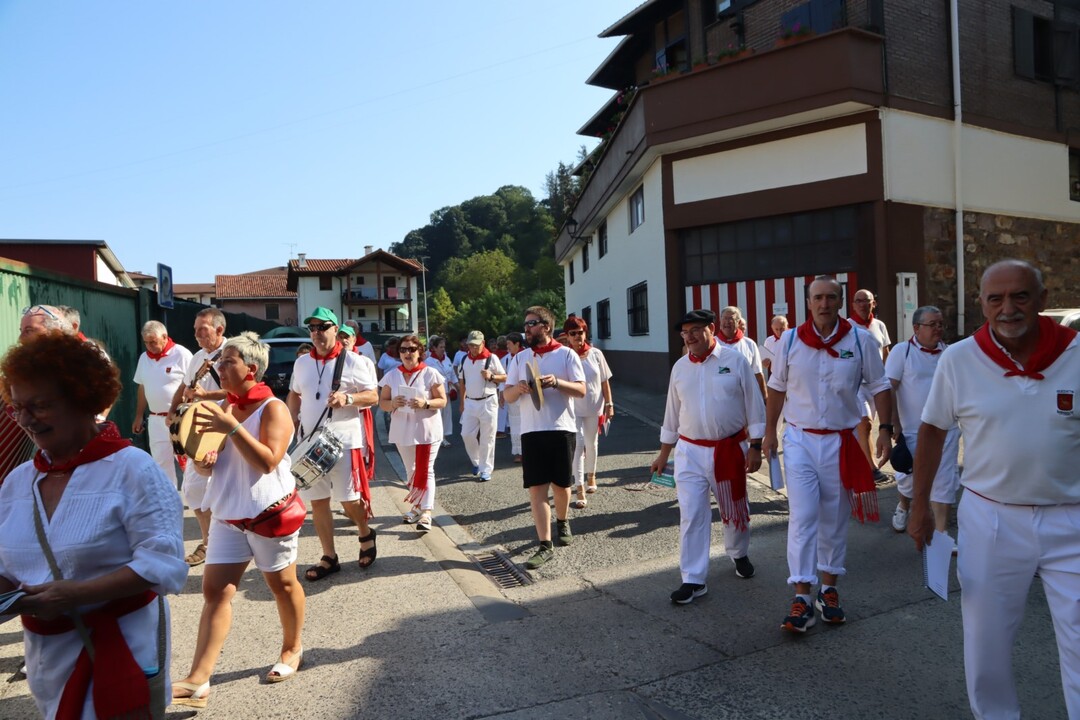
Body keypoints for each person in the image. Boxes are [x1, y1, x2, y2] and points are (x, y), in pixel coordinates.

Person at [909, 260, 1079, 720]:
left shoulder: (1077, 352)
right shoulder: (960, 359)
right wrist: (920, 505)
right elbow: (932, 429)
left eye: (1020, 296)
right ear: (982, 304)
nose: (1008, 308)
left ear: (1042, 300)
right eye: (995, 299)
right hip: (992, 518)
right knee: (986, 642)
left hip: (1073, 517)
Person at [0, 332, 187, 719]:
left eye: (40, 406)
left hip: (123, 649)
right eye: (17, 407)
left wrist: (76, 595)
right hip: (47, 660)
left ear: (83, 399)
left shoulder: (133, 470)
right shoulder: (18, 482)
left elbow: (164, 565)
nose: (26, 420)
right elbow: (7, 566)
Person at [172, 332, 306, 707]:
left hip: (268, 514)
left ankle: (292, 648)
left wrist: (229, 427)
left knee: (283, 585)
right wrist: (202, 460)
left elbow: (267, 461)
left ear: (251, 368)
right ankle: (198, 679)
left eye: (228, 360)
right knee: (215, 592)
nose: (219, 366)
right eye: (219, 360)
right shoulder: (224, 407)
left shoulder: (273, 408)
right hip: (228, 515)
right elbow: (209, 465)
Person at [763, 275, 892, 633]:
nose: (824, 304)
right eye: (817, 297)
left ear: (840, 301)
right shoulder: (790, 341)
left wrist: (885, 429)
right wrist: (770, 433)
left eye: (830, 297)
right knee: (803, 516)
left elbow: (880, 385)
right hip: (800, 440)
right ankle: (802, 595)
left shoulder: (861, 340)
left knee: (834, 518)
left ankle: (829, 590)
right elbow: (776, 388)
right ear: (808, 303)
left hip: (841, 442)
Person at [650, 309, 766, 603]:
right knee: (692, 514)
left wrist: (756, 446)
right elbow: (672, 413)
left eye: (695, 331)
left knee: (734, 506)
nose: (689, 337)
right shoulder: (680, 368)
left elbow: (754, 405)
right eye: (684, 333)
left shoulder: (735, 361)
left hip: (729, 449)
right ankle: (693, 578)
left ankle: (738, 552)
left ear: (711, 329)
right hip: (689, 452)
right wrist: (664, 453)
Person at [287, 307, 379, 581]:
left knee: (349, 500)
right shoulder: (302, 363)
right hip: (310, 443)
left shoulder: (354, 361)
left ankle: (365, 531)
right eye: (312, 328)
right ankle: (329, 556)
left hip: (344, 442)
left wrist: (348, 399)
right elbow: (294, 394)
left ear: (335, 329)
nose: (316, 333)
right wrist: (290, 422)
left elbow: (373, 396)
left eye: (322, 327)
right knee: (318, 502)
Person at [503, 306, 586, 569]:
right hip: (531, 431)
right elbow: (507, 395)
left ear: (546, 327)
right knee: (537, 489)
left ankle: (562, 521)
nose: (526, 329)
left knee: (561, 486)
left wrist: (557, 382)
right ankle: (545, 545)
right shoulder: (520, 358)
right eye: (525, 324)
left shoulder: (566, 354)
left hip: (561, 428)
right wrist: (518, 388)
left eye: (532, 324)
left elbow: (581, 390)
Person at [884, 306, 959, 548]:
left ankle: (940, 534)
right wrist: (893, 422)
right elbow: (889, 387)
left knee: (944, 480)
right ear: (916, 328)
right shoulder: (902, 351)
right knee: (909, 481)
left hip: (945, 430)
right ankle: (904, 505)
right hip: (912, 431)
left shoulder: (949, 353)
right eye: (932, 324)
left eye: (940, 324)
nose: (938, 328)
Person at [167, 308, 229, 567]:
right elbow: (185, 386)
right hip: (198, 431)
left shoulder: (232, 353)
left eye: (202, 330)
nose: (197, 335)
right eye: (195, 331)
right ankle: (209, 541)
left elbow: (239, 390)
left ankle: (222, 544)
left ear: (219, 329)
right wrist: (172, 411)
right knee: (193, 490)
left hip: (224, 430)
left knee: (222, 490)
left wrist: (206, 396)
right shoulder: (198, 357)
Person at [378, 335, 447, 533]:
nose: (407, 353)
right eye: (403, 350)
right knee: (411, 470)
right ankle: (416, 507)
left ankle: (426, 512)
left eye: (412, 349)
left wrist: (425, 403)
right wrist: (393, 403)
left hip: (427, 428)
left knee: (426, 469)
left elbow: (442, 400)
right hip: (402, 428)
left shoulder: (430, 373)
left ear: (420, 352)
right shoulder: (392, 375)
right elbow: (382, 403)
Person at [132, 320, 193, 485]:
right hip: (155, 420)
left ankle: (196, 497)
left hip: (180, 418)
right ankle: (170, 497)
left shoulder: (182, 354)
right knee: (160, 465)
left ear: (165, 337)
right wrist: (139, 416)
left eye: (153, 342)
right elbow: (142, 387)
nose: (149, 346)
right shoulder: (144, 358)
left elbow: (194, 385)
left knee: (189, 464)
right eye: (146, 342)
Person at [564, 316, 613, 509]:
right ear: (567, 336)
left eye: (581, 332)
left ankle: (591, 476)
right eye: (573, 333)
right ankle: (579, 487)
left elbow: (604, 381)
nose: (578, 336)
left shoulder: (596, 354)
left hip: (594, 406)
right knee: (578, 446)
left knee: (591, 444)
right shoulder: (566, 355)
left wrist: (609, 404)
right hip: (573, 409)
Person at [848, 289, 892, 482]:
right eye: (858, 301)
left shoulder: (879, 325)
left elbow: (885, 352)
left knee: (867, 427)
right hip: (856, 384)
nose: (862, 304)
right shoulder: (848, 327)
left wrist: (888, 377)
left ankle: (858, 464)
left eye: (866, 301)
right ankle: (871, 468)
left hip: (876, 384)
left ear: (874, 303)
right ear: (853, 304)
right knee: (864, 423)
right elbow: (843, 353)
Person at [457, 330, 506, 482]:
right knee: (466, 434)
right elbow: (462, 382)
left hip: (488, 401)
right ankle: (477, 462)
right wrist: (462, 402)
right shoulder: (465, 359)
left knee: (487, 437)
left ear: (483, 343)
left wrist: (492, 376)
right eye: (470, 345)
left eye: (476, 345)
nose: (473, 348)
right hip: (470, 402)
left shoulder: (492, 358)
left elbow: (505, 377)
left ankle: (486, 469)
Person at [717, 306, 767, 400]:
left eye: (731, 319)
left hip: (745, 398)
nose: (727, 322)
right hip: (720, 399)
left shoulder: (749, 344)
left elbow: (758, 374)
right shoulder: (713, 344)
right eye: (724, 318)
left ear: (738, 322)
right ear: (720, 320)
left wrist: (764, 399)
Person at [425, 335, 457, 448]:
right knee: (435, 416)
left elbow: (452, 375)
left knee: (446, 416)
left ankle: (443, 437)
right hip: (435, 394)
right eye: (440, 347)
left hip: (446, 393)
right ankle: (434, 438)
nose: (443, 349)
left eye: (444, 347)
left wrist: (458, 388)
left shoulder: (447, 359)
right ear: (434, 348)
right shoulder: (428, 362)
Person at [503, 332, 526, 463]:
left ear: (517, 344)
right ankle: (518, 452)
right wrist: (502, 395)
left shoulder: (527, 356)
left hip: (525, 396)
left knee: (526, 423)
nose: (507, 346)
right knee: (514, 424)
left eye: (509, 344)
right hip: (512, 396)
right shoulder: (506, 359)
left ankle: (527, 451)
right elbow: (504, 379)